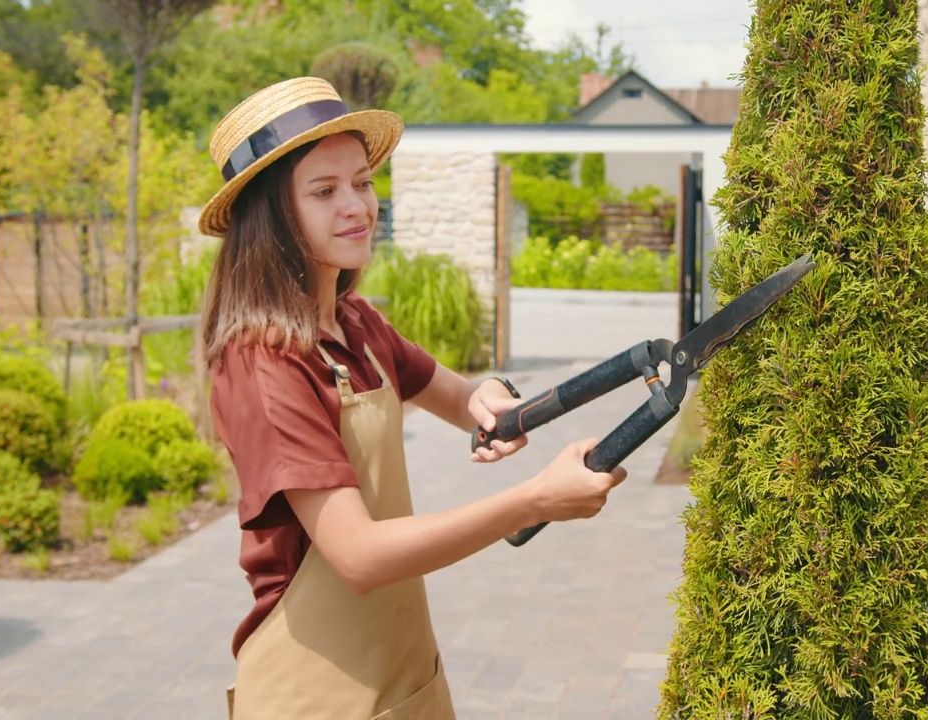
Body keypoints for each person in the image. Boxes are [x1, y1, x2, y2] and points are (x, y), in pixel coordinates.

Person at [197, 76, 629, 719]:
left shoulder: (357, 324)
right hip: (315, 696)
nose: (357, 206)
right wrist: (534, 501)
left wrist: (492, 399)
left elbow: (457, 395)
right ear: (271, 217)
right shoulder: (263, 363)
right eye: (324, 191)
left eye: (363, 183)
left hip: (404, 679)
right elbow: (360, 556)